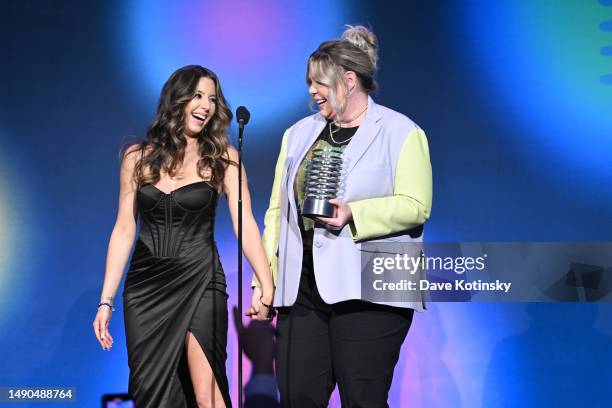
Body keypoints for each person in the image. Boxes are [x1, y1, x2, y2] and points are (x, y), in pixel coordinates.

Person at [251, 26, 433, 407]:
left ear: (349, 81)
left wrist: (355, 213)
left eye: (319, 83)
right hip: (301, 290)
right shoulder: (298, 134)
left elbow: (416, 205)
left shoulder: (401, 132)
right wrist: (263, 281)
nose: (312, 91)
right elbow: (276, 212)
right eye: (309, 83)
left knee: (362, 398)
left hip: (371, 290)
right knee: (298, 395)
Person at [93, 65, 275, 408]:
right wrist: (106, 300)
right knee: (152, 396)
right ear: (176, 99)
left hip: (201, 281)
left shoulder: (224, 160)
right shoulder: (137, 159)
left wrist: (266, 283)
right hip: (146, 289)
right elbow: (123, 229)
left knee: (207, 395)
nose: (205, 105)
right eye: (197, 95)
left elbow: (245, 224)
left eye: (211, 98)